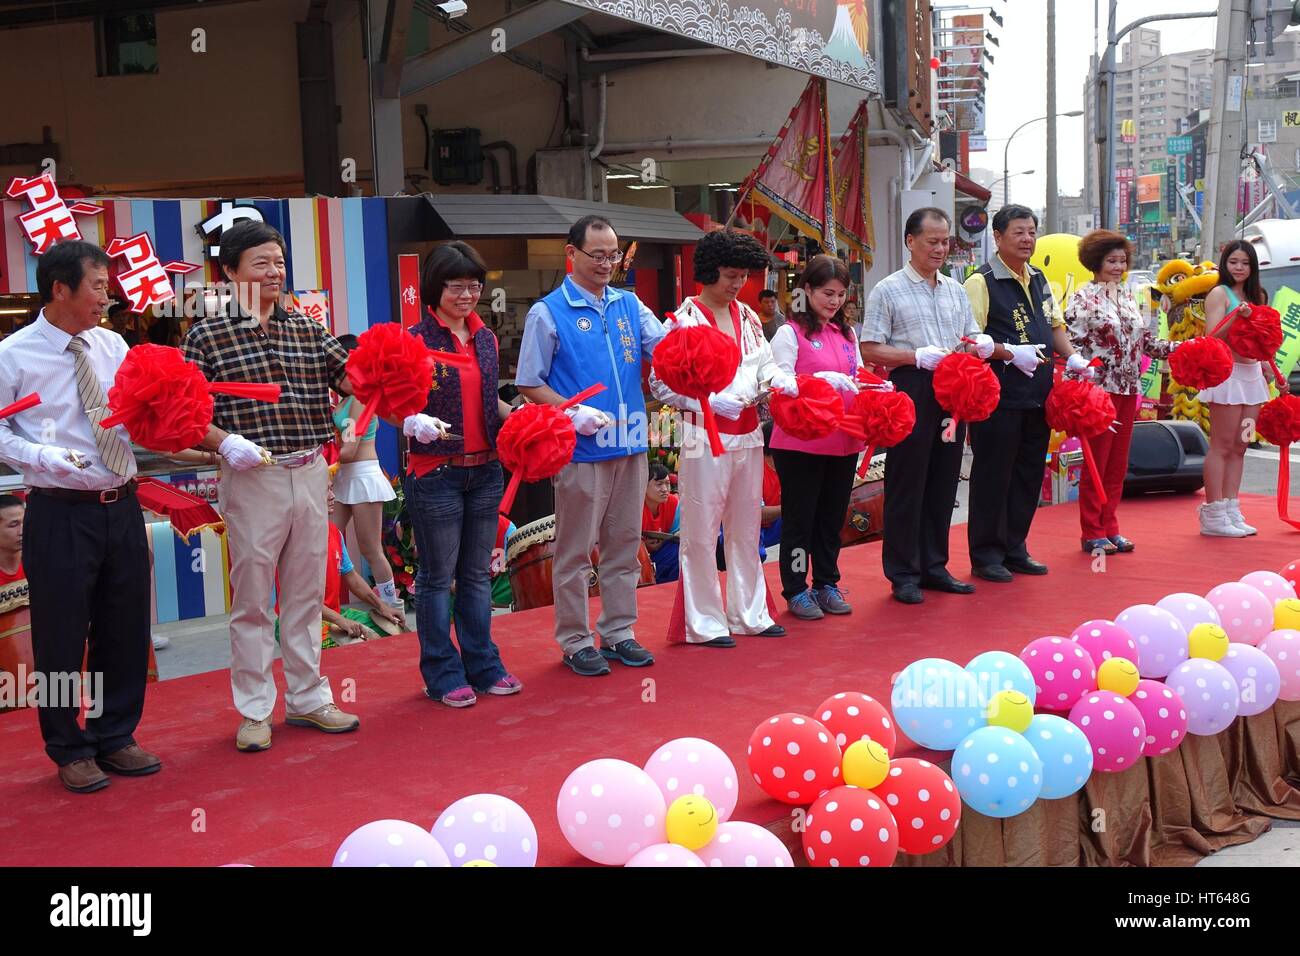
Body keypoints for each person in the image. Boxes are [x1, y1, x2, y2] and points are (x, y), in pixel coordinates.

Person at [183, 221, 359, 752]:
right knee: (255, 599)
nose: (275, 272)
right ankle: (255, 710)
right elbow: (186, 413)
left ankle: (309, 699)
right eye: (261, 263)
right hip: (251, 475)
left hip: (309, 471)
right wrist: (223, 442)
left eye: (280, 262)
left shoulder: (306, 327)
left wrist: (391, 378)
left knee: (306, 594)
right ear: (230, 272)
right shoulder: (206, 334)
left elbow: (350, 376)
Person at [0, 240, 160, 792]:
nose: (106, 296)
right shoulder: (13, 355)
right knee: (62, 636)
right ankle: (67, 746)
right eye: (97, 285)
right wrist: (42, 456)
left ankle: (115, 734)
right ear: (60, 289)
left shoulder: (113, 345)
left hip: (121, 504)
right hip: (59, 512)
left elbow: (138, 412)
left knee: (125, 625)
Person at [515, 215, 666, 676]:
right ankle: (576, 639)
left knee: (624, 544)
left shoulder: (629, 304)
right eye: (596, 255)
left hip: (630, 442)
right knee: (576, 551)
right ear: (572, 254)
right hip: (580, 450)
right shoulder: (548, 312)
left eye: (613, 255)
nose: (606, 264)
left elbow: (665, 351)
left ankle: (619, 632)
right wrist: (570, 411)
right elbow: (528, 382)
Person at [651, 230, 790, 645]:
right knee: (700, 531)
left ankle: (750, 613)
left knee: (747, 528)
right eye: (730, 275)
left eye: (742, 275)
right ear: (709, 272)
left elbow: (765, 364)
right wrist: (708, 402)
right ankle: (704, 622)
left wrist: (780, 379)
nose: (736, 284)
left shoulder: (748, 316)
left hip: (748, 432)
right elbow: (660, 382)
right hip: (701, 435)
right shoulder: (680, 320)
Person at [402, 240, 521, 707]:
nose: (467, 295)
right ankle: (442, 671)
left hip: (485, 470)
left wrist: (528, 418)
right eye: (457, 286)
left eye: (474, 285)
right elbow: (394, 403)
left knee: (475, 575)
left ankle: (484, 664)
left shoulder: (486, 339)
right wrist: (411, 420)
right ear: (435, 288)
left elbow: (488, 400)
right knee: (435, 577)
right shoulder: (414, 341)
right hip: (436, 473)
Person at [860, 207, 993, 605]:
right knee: (908, 481)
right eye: (932, 241)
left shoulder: (954, 288)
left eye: (945, 241)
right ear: (910, 241)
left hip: (954, 393)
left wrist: (979, 343)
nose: (940, 249)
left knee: (944, 479)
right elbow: (870, 347)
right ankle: (903, 572)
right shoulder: (888, 288)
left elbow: (970, 333)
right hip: (912, 387)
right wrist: (914, 356)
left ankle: (935, 565)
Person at [962, 204, 1092, 583]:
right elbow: (970, 340)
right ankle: (986, 555)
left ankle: (1015, 547)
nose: (1027, 239)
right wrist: (1007, 352)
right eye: (1018, 232)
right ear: (998, 237)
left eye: (1032, 232)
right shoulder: (981, 281)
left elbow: (1054, 325)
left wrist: (1074, 357)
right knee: (993, 477)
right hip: (997, 398)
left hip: (1038, 394)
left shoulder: (1038, 278)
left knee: (1028, 475)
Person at [1067, 230, 1181, 553]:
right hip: (1099, 391)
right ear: (1095, 262)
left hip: (1129, 389)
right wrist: (1080, 387)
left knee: (1118, 464)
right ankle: (1092, 531)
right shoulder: (1082, 297)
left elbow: (1147, 343)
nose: (1118, 266)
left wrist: (1184, 349)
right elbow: (1073, 347)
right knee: (1097, 463)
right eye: (1111, 260)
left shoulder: (1132, 297)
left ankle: (1110, 526)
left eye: (1122, 260)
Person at [770, 254, 866, 618]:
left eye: (841, 294)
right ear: (806, 289)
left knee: (831, 515)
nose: (834, 301)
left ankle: (826, 582)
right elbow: (777, 382)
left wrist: (875, 388)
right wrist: (817, 382)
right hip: (801, 441)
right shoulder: (789, 332)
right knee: (801, 517)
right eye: (827, 293)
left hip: (842, 436)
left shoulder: (846, 333)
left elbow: (855, 375)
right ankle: (795, 588)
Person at [1199, 240, 1287, 536]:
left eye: (1245, 263)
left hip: (1253, 379)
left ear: (1253, 267)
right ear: (1225, 264)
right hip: (1227, 378)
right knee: (1222, 445)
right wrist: (1236, 315)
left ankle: (1231, 507)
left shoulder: (1258, 295)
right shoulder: (1218, 294)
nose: (1239, 268)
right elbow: (1211, 336)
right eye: (1233, 262)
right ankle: (1213, 514)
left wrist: (1271, 368)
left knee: (1241, 445)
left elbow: (1264, 339)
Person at [330, 337, 400, 611]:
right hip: (344, 475)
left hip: (362, 475)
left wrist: (321, 467)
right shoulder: (346, 398)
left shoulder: (360, 397)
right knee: (329, 539)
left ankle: (393, 606)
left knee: (370, 549)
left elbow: (349, 449)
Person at [642, 462, 680, 584]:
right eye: (659, 484)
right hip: (638, 557)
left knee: (679, 550)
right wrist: (643, 547)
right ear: (643, 486)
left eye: (668, 484)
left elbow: (677, 532)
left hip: (662, 552)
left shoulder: (673, 503)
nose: (665, 489)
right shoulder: (636, 506)